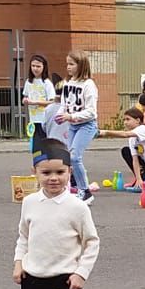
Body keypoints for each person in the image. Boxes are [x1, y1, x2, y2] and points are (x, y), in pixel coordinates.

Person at [15, 141, 101, 289]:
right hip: (32, 278)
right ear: (34, 172)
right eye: (46, 172)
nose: (53, 178)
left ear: (69, 172)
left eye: (60, 172)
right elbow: (24, 236)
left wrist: (81, 273)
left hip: (62, 280)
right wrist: (18, 263)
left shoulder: (77, 207)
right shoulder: (30, 202)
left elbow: (91, 242)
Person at [53, 55, 101, 194]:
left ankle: (85, 191)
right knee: (69, 158)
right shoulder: (68, 83)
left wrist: (71, 116)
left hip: (87, 125)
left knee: (74, 157)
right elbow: (64, 103)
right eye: (67, 64)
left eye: (72, 64)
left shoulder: (88, 85)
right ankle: (71, 187)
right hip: (73, 125)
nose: (68, 67)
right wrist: (61, 114)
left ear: (81, 66)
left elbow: (91, 112)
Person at [22, 53, 57, 162]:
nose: (35, 69)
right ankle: (37, 166)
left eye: (38, 66)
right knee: (35, 146)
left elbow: (52, 101)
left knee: (45, 144)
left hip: (44, 119)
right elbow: (25, 95)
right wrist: (25, 100)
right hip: (33, 120)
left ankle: (48, 164)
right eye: (33, 66)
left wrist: (35, 102)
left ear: (44, 67)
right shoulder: (29, 82)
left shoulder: (46, 83)